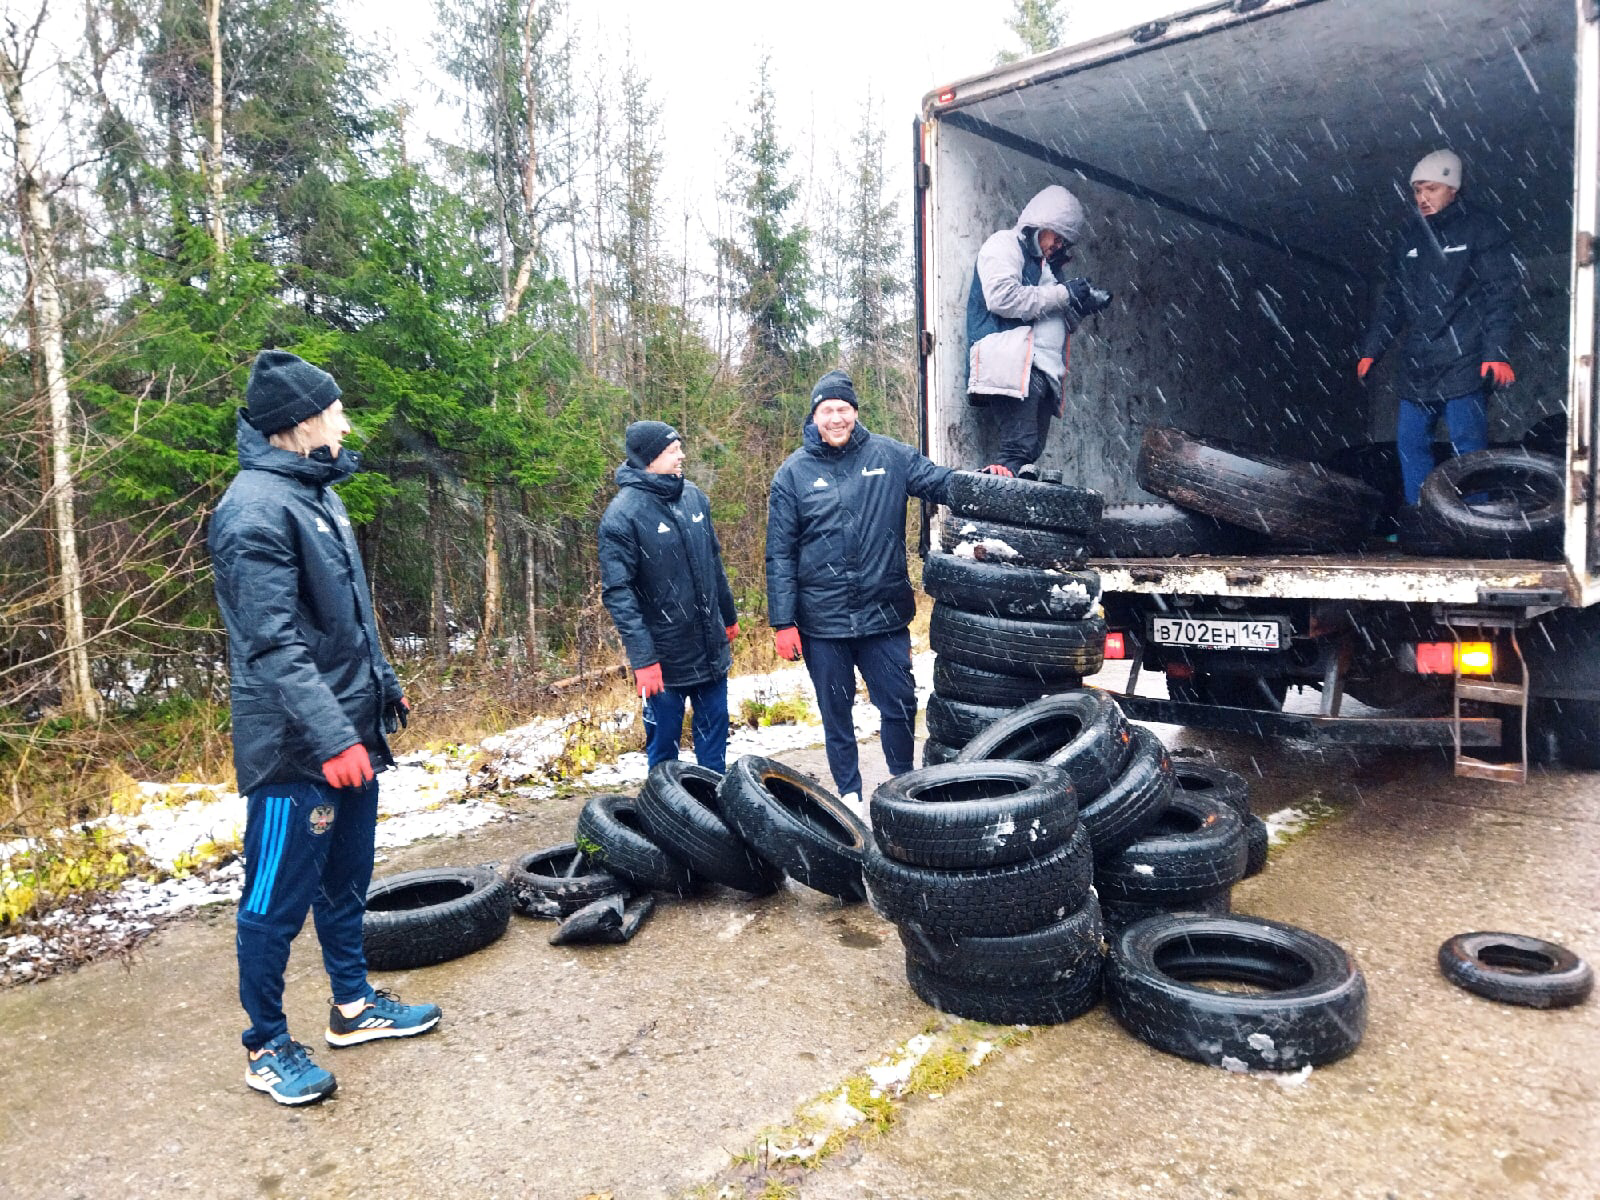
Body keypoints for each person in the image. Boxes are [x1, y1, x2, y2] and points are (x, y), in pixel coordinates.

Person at [209, 350, 439, 1107]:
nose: (346, 420)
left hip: (349, 727)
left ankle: (352, 1006)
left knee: (345, 882)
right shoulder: (251, 511)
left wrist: (384, 690)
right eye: (336, 409)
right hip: (295, 748)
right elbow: (272, 642)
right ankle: (266, 1045)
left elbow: (348, 616)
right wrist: (332, 738)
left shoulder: (316, 493)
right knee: (274, 899)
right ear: (302, 422)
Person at [766, 370, 954, 808]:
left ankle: (900, 784)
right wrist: (782, 621)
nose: (836, 418)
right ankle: (849, 794)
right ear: (813, 417)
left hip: (883, 615)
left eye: (843, 409)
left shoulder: (889, 455)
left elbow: (940, 481)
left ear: (855, 413)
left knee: (901, 703)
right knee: (837, 715)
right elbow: (779, 553)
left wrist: (987, 482)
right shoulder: (792, 475)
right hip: (822, 622)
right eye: (827, 410)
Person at [1357, 149, 1517, 506]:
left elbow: (1500, 293)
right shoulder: (1410, 236)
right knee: (1411, 445)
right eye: (1417, 191)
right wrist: (1372, 349)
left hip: (1464, 360)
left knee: (1467, 446)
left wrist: (1496, 353)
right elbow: (1394, 301)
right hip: (1418, 363)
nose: (1422, 198)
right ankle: (1421, 522)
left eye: (1431, 188)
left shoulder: (1481, 228)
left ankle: (1479, 520)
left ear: (1453, 188)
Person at [599, 420, 739, 775]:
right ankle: (665, 822)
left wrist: (728, 616)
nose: (682, 456)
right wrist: (643, 660)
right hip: (663, 664)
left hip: (710, 651)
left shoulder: (694, 497)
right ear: (649, 459)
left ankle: (717, 823)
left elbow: (713, 561)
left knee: (714, 753)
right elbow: (619, 594)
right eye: (673, 450)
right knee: (664, 757)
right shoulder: (622, 516)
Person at [966, 184, 1113, 478]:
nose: (1058, 245)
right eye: (1056, 237)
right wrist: (1063, 294)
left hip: (1043, 369)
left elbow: (1053, 319)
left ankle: (1011, 501)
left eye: (1064, 242)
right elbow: (1003, 298)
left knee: (1030, 449)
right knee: (1017, 448)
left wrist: (1080, 306)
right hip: (1013, 361)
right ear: (1039, 225)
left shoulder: (1047, 266)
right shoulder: (1004, 244)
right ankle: (993, 500)